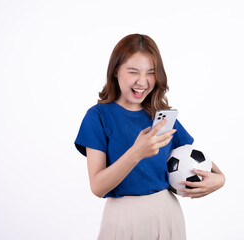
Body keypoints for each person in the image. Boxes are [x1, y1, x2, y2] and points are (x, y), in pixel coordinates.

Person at [74, 33, 225, 240]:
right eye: (133, 71)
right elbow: (98, 187)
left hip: (167, 213)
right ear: (115, 71)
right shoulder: (98, 116)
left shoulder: (159, 115)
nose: (142, 81)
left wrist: (220, 180)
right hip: (122, 218)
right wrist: (136, 152)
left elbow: (197, 159)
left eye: (151, 73)